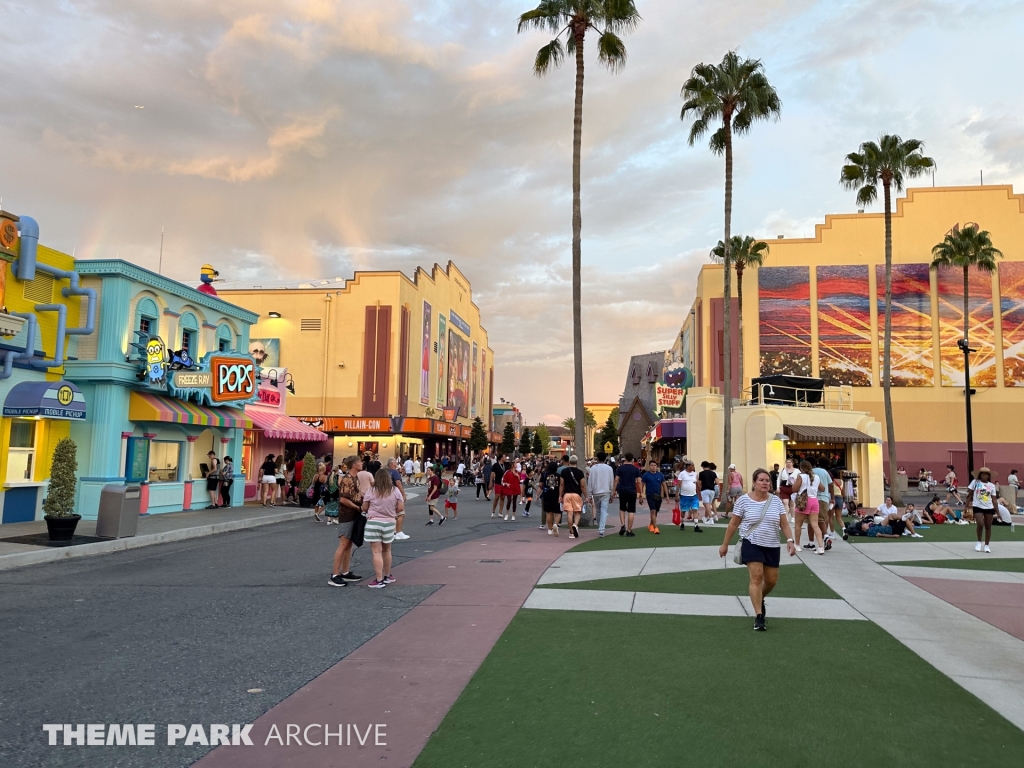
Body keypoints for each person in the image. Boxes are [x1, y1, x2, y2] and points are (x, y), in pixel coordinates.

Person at [718, 468, 797, 631]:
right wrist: (725, 544)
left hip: (772, 544)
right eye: (761, 480)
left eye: (767, 480)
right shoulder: (743, 501)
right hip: (751, 543)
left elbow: (784, 524)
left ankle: (759, 598)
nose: (765, 483)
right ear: (754, 483)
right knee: (756, 577)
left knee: (771, 581)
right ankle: (759, 616)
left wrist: (790, 540)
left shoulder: (776, 501)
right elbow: (733, 524)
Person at [361, 467, 404, 588]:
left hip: (374, 522)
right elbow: (400, 508)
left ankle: (379, 579)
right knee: (387, 550)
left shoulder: (371, 490)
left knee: (376, 551)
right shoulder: (395, 491)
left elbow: (364, 507)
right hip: (389, 522)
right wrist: (391, 511)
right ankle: (387, 575)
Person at [327, 456, 365, 587]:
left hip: (354, 514)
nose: (362, 463)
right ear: (354, 465)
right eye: (359, 462)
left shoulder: (355, 478)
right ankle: (335, 574)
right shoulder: (347, 479)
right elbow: (343, 499)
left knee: (349, 544)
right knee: (343, 544)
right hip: (347, 515)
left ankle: (345, 571)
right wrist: (357, 507)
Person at [791, 460, 825, 554]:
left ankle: (797, 545)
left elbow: (794, 488)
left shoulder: (801, 476)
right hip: (814, 501)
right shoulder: (816, 477)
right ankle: (821, 547)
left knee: (798, 524)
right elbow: (822, 489)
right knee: (815, 524)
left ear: (801, 468)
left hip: (804, 501)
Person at [968, 467, 998, 553]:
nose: (984, 475)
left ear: (989, 476)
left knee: (988, 526)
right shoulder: (975, 482)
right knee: (980, 524)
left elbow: (994, 500)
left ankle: (987, 545)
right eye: (982, 474)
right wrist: (966, 505)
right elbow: (970, 494)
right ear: (980, 475)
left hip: (989, 507)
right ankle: (978, 542)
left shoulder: (992, 486)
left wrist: (998, 512)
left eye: (986, 474)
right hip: (977, 505)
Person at [612, 452, 642, 537]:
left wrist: (614, 490)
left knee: (622, 508)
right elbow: (639, 481)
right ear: (632, 459)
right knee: (631, 510)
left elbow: (616, 479)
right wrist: (640, 493)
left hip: (622, 490)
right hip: (632, 490)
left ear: (625, 458)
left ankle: (622, 525)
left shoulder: (620, 469)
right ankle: (629, 530)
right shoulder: (636, 469)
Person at [559, 455, 587, 539]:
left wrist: (560, 495)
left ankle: (571, 532)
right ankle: (575, 525)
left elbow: (562, 484)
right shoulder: (580, 472)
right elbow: (582, 486)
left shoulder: (564, 471)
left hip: (567, 494)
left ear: (569, 462)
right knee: (577, 512)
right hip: (576, 494)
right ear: (576, 462)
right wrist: (586, 496)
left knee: (569, 513)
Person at [588, 452, 615, 537]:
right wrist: (611, 493)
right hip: (606, 491)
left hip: (596, 491)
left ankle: (600, 527)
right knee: (604, 510)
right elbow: (611, 482)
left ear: (597, 459)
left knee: (598, 510)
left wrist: (589, 494)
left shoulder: (593, 468)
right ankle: (601, 529)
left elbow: (590, 482)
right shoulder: (609, 468)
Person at [640, 460, 669, 534]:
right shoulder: (646, 475)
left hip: (658, 495)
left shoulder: (660, 475)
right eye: (652, 465)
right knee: (652, 511)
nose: (653, 467)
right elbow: (642, 485)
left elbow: (664, 485)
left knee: (655, 512)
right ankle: (656, 527)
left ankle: (651, 524)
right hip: (649, 495)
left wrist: (667, 496)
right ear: (649, 466)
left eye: (654, 465)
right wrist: (641, 495)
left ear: (657, 466)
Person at [387, 457, 410, 540]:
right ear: (392, 464)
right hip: (395, 494)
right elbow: (398, 483)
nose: (396, 464)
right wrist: (403, 494)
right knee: (401, 513)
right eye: (395, 462)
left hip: (387, 494)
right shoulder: (395, 472)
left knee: (392, 514)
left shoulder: (386, 472)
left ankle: (392, 532)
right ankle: (398, 532)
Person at [676, 460, 699, 531]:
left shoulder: (695, 474)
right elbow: (678, 485)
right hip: (684, 496)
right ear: (688, 466)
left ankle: (696, 526)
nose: (693, 467)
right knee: (683, 511)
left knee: (695, 509)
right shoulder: (682, 474)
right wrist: (677, 494)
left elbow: (697, 483)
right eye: (692, 465)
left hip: (694, 495)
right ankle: (682, 522)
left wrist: (699, 492)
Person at [541, 460, 562, 535]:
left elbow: (541, 484)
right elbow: (561, 486)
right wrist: (561, 495)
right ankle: (555, 524)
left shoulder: (544, 474)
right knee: (558, 512)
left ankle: (549, 529)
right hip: (556, 495)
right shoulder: (559, 476)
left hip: (547, 495)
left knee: (549, 512)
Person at [696, 461, 718, 531]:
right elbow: (717, 482)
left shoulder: (701, 473)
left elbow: (699, 483)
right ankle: (705, 517)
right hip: (712, 490)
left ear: (702, 466)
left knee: (706, 505)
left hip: (705, 490)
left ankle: (711, 519)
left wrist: (699, 487)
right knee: (708, 504)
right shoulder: (713, 473)